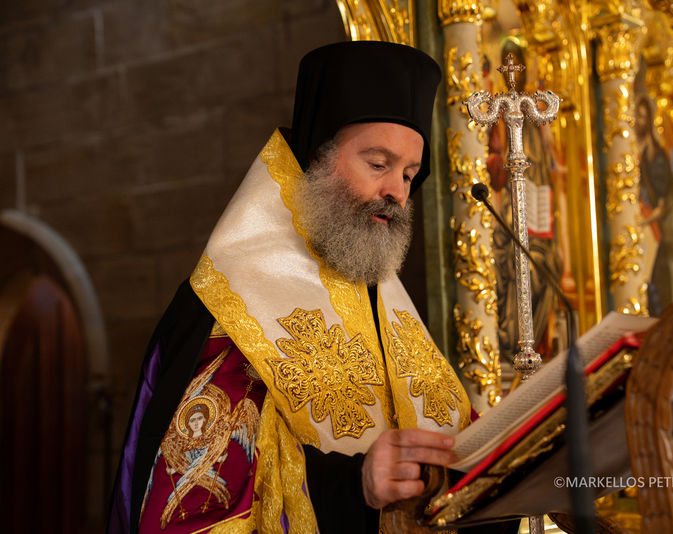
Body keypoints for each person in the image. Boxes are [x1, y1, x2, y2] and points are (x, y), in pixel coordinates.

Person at [108, 41, 479, 534]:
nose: (397, 192)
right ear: (318, 158)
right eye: (378, 164)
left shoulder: (382, 300)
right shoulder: (231, 304)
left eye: (409, 174)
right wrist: (354, 487)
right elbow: (200, 499)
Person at [634, 96, 673, 316]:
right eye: (636, 116)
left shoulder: (657, 156)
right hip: (662, 233)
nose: (638, 121)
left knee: (668, 295)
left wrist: (640, 222)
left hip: (671, 233)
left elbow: (660, 206)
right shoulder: (644, 154)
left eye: (642, 117)